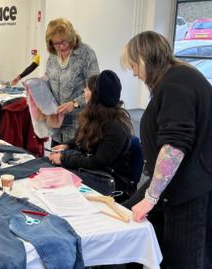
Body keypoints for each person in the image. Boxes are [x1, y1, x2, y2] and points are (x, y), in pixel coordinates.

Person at [121, 31, 212, 268]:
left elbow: (174, 146)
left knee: (184, 261)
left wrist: (150, 198)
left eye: (133, 65)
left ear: (143, 59)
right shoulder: (176, 79)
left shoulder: (176, 83)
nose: (133, 73)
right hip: (175, 189)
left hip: (190, 194)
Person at [49, 70, 134, 200]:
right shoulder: (94, 116)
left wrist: (64, 158)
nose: (84, 90)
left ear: (95, 96)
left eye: (87, 89)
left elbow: (97, 162)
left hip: (109, 182)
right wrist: (67, 145)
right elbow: (82, 139)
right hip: (95, 172)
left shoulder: (116, 128)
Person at [45, 18, 99, 145]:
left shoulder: (86, 54)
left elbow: (95, 87)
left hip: (79, 125)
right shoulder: (52, 57)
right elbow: (49, 80)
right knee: (55, 161)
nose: (61, 46)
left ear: (71, 37)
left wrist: (74, 103)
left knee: (73, 162)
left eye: (64, 42)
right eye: (56, 43)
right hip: (57, 125)